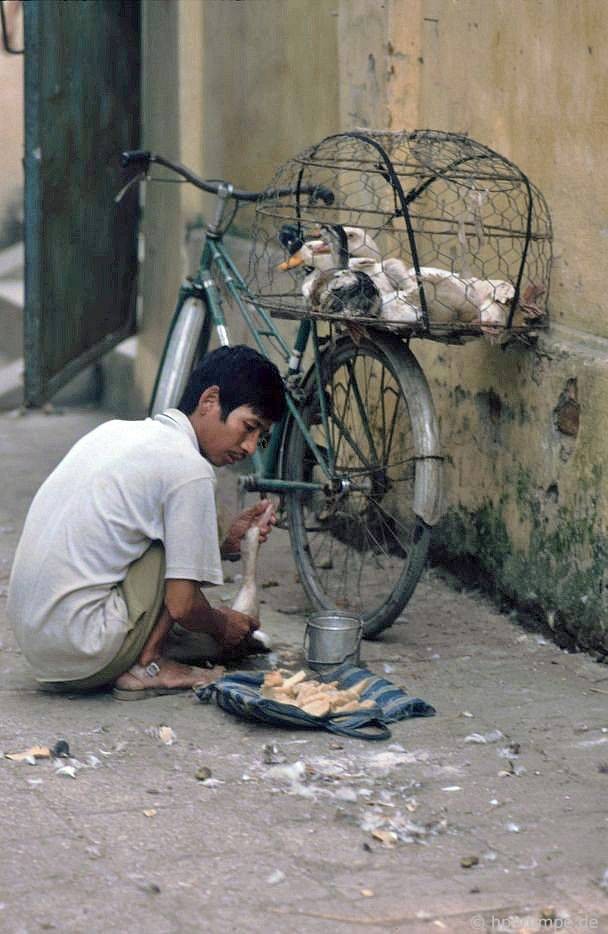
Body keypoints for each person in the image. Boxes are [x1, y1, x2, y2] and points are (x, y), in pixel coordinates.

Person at [7, 345, 286, 699]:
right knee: (178, 577)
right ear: (210, 400)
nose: (249, 447)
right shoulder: (189, 469)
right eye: (248, 427)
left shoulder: (118, 432)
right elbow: (183, 605)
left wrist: (229, 543)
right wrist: (223, 623)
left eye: (259, 437)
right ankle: (149, 666)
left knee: (163, 538)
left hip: (42, 647)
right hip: (83, 654)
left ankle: (141, 649)